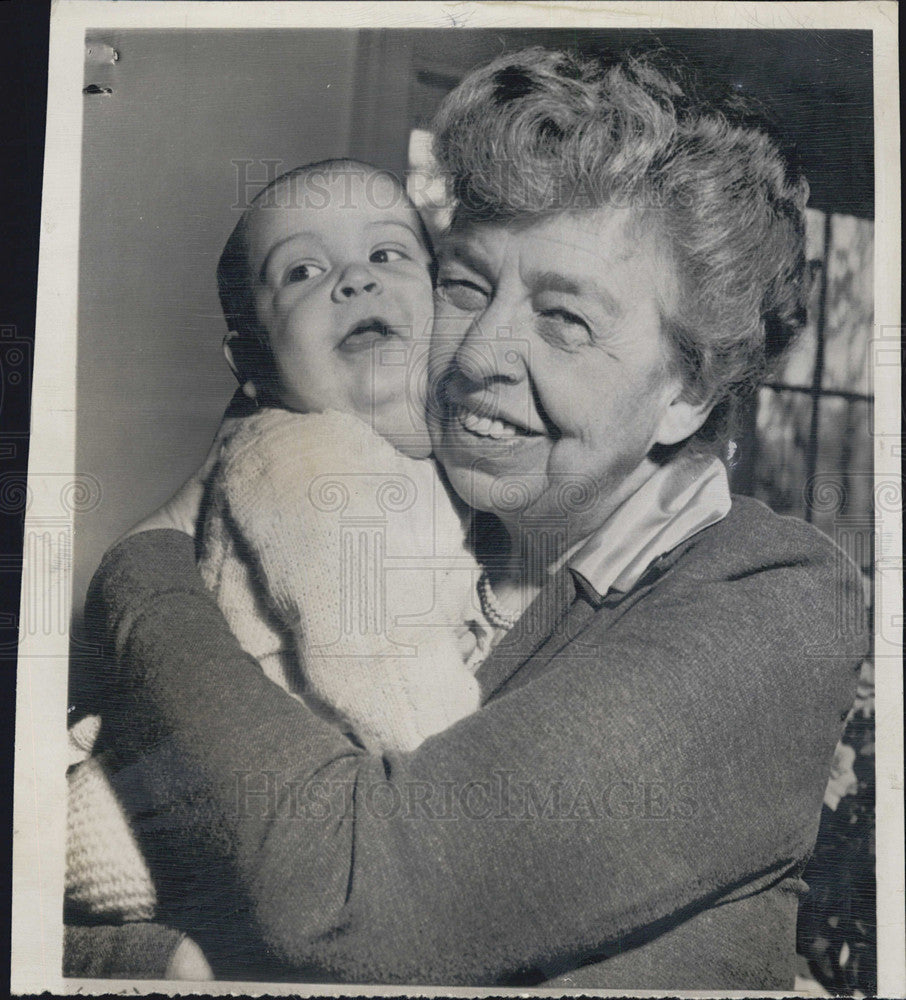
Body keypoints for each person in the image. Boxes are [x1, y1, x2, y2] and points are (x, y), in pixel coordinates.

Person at [68, 46, 866, 987]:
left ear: (689, 388)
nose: (481, 351)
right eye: (466, 284)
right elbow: (72, 880)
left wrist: (140, 572)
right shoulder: (383, 522)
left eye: (566, 319)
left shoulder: (773, 602)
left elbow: (359, 905)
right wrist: (143, 956)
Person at [67, 159, 491, 924]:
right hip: (209, 813)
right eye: (301, 270)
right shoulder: (310, 459)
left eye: (387, 254)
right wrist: (477, 798)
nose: (354, 282)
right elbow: (379, 659)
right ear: (255, 362)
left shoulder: (421, 457)